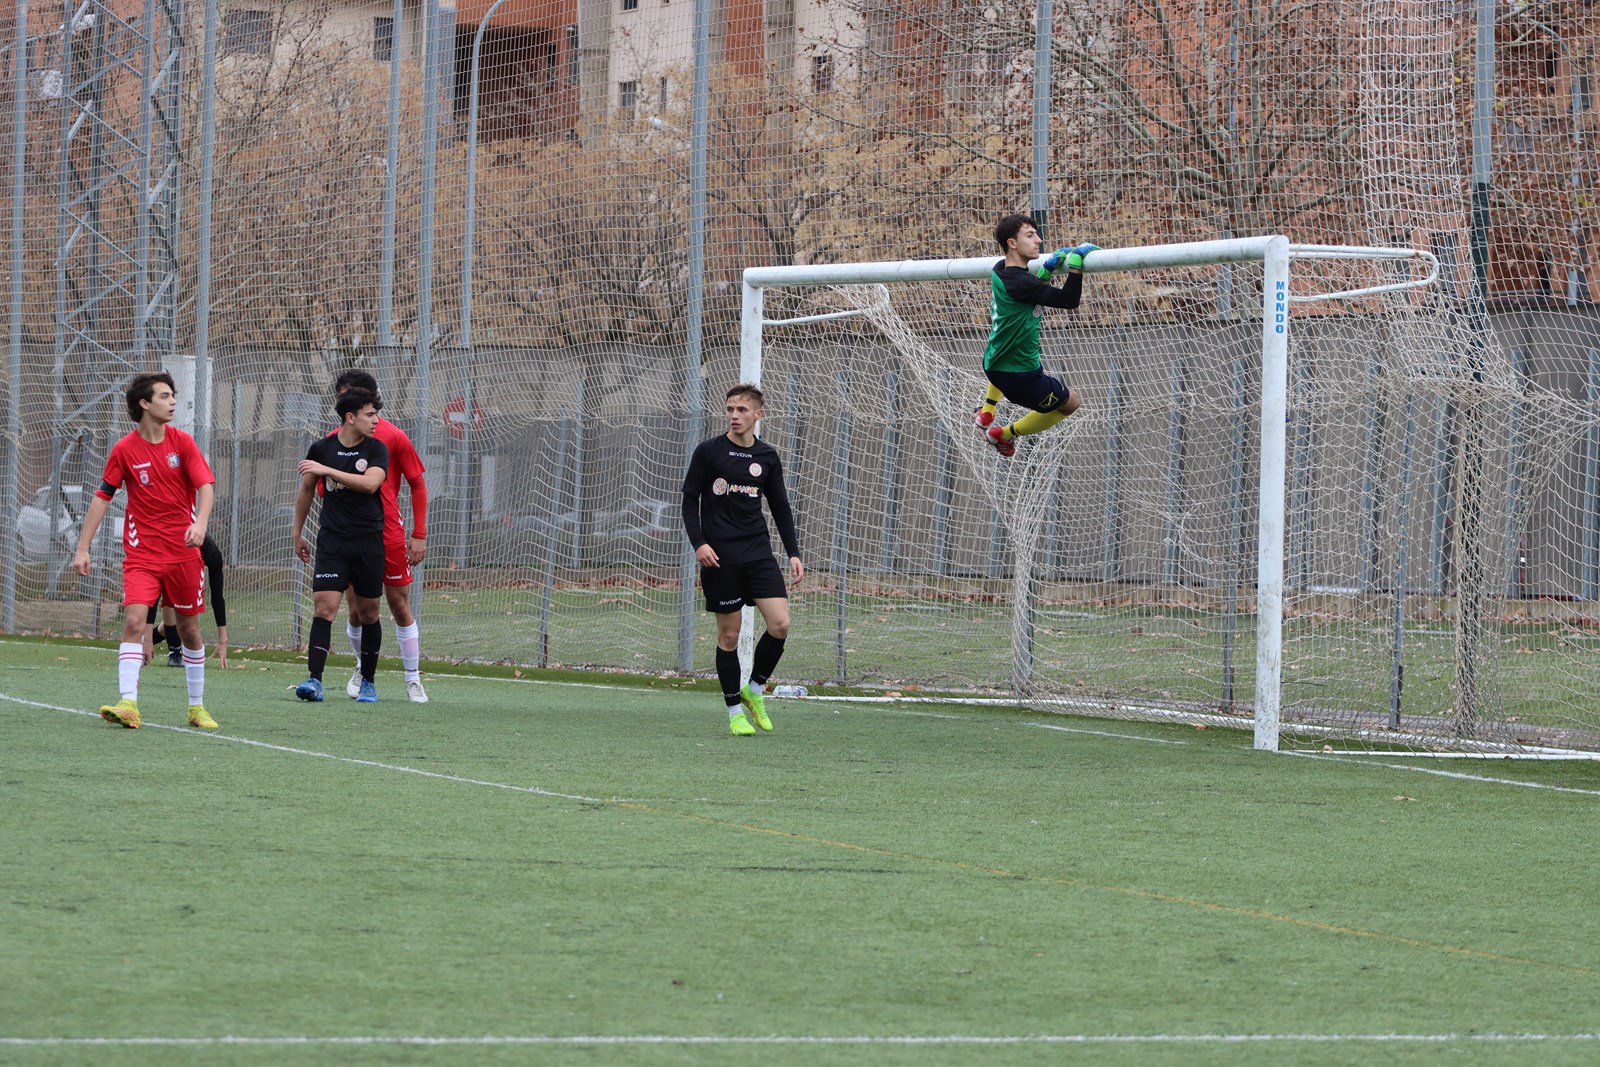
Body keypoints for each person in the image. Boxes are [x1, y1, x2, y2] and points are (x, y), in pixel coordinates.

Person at [72, 372, 218, 730]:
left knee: (189, 630)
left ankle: (196, 707)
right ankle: (128, 703)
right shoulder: (124, 450)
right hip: (142, 555)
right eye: (164, 396)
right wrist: (83, 547)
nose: (172, 401)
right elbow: (102, 497)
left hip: (183, 554)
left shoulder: (183, 443)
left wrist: (200, 525)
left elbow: (206, 487)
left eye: (173, 395)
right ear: (144, 403)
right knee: (135, 622)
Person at [682, 383, 803, 736]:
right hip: (720, 557)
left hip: (758, 553)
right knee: (730, 635)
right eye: (730, 409)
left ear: (758, 414)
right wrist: (699, 544)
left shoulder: (767, 456)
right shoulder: (709, 452)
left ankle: (754, 689)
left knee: (780, 624)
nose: (734, 415)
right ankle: (735, 711)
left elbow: (780, 506)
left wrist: (793, 552)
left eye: (742, 410)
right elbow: (689, 500)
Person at [327, 369, 430, 703]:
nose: (343, 403)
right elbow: (323, 488)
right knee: (357, 610)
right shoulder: (333, 440)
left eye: (348, 395)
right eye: (340, 397)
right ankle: (363, 667)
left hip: (388, 535)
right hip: (352, 536)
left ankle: (413, 679)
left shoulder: (394, 436)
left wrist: (418, 534)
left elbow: (417, 484)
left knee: (399, 603)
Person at [291, 387, 388, 703]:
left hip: (368, 541)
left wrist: (328, 471)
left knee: (368, 612)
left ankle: (368, 683)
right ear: (350, 417)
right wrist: (297, 532)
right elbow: (307, 490)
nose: (376, 420)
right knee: (324, 607)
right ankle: (314, 681)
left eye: (376, 414)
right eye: (370, 414)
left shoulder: (376, 449)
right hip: (332, 541)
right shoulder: (321, 448)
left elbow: (370, 483)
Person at [972, 214, 1098, 458]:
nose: (1038, 240)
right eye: (1030, 235)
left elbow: (1031, 296)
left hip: (993, 363)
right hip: (1020, 376)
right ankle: (1003, 433)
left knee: (1008, 351)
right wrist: (1076, 264)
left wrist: (1046, 272)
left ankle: (988, 409)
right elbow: (1069, 300)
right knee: (1071, 402)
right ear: (1012, 243)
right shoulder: (1021, 283)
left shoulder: (1000, 270)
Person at [143, 534, 227, 668]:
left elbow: (217, 597)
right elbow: (154, 595)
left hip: (186, 583)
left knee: (186, 625)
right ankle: (174, 651)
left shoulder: (212, 553)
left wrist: (223, 640)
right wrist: (147, 638)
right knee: (170, 598)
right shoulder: (168, 549)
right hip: (166, 570)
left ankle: (141, 641)